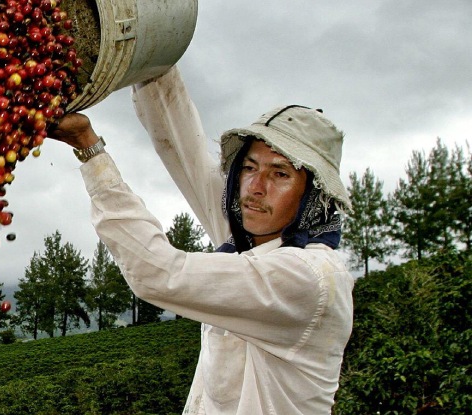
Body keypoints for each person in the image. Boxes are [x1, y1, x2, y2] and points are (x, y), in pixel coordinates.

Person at [48, 67, 354, 414]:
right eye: (250, 168)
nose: (255, 187)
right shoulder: (249, 238)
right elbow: (184, 148)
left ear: (314, 196)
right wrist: (151, 53)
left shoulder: (308, 278)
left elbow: (159, 273)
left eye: (280, 174)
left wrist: (90, 149)